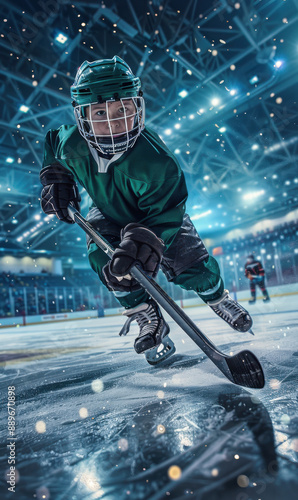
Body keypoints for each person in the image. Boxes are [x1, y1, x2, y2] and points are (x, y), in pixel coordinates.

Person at [40, 56, 252, 355]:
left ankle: (217, 297)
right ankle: (147, 315)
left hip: (155, 218)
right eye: (100, 111)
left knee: (192, 263)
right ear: (82, 115)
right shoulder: (70, 142)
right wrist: (57, 178)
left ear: (137, 107)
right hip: (106, 211)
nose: (112, 122)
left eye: (122, 109)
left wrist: (147, 240)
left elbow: (167, 214)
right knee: (109, 265)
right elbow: (52, 140)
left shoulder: (157, 161)